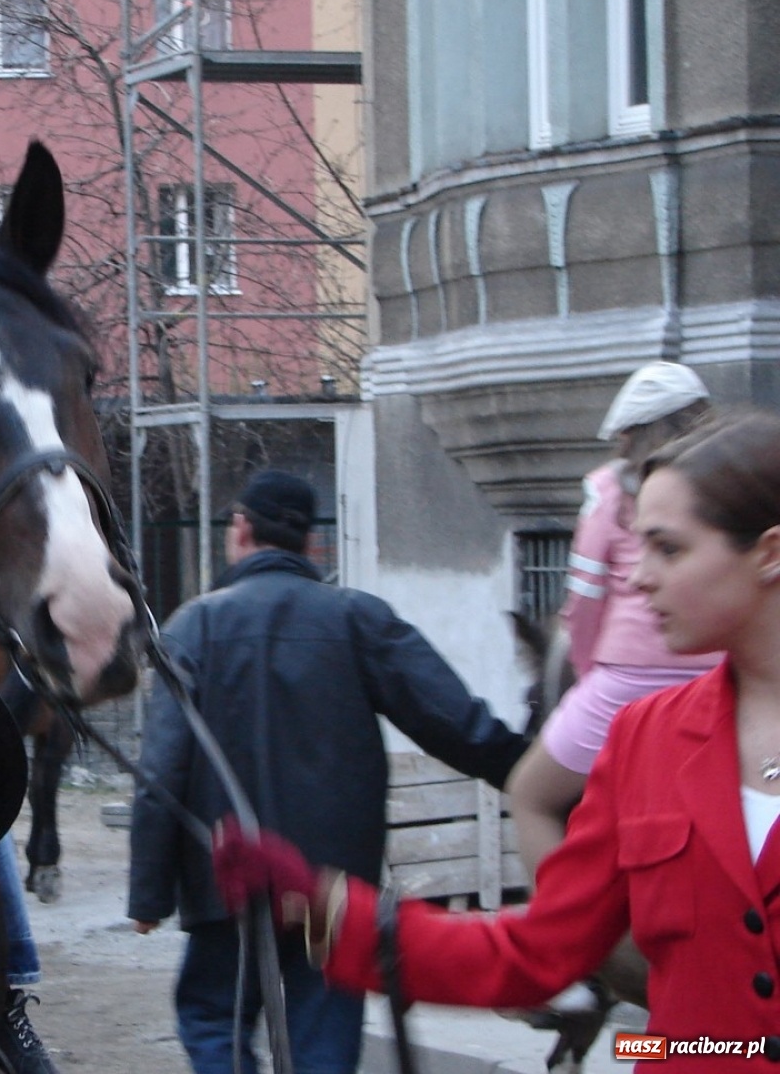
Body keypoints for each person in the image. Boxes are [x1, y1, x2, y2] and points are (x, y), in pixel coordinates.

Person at [211, 409, 780, 1069]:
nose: (637, 576)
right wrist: (323, 911)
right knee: (533, 790)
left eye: (669, 548)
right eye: (639, 544)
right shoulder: (643, 739)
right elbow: (535, 954)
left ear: (768, 553)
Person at [127, 470, 528, 1074]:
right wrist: (537, 777)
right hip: (333, 892)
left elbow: (160, 770)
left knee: (215, 1020)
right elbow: (452, 720)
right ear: (308, 542)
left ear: (240, 528)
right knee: (325, 1029)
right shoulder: (356, 618)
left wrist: (149, 893)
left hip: (225, 882)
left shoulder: (193, 627)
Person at [508, 361, 719, 874]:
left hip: (628, 679)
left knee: (530, 795)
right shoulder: (726, 482)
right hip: (720, 673)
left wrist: (585, 672)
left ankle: (558, 940)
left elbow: (583, 598)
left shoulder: (607, 490)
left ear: (631, 432)